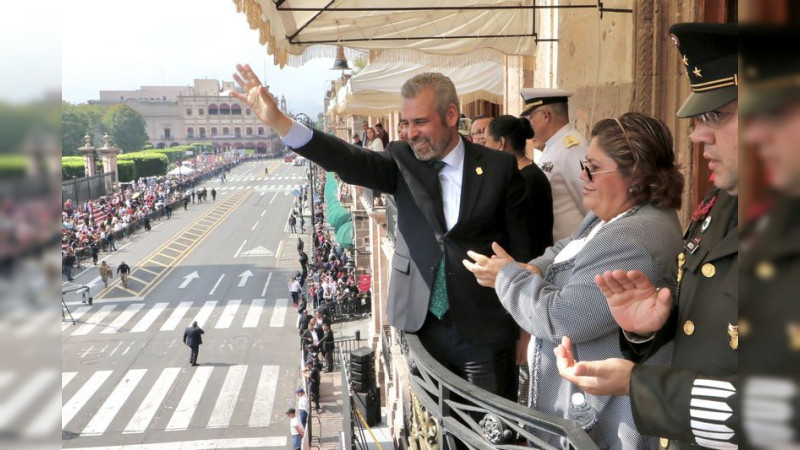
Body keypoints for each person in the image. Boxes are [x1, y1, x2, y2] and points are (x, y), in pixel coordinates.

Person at [233, 65, 532, 401]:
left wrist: (525, 327)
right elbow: (347, 159)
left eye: (419, 122)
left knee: (489, 432)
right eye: (404, 123)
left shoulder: (499, 167)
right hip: (422, 329)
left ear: (451, 115)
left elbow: (524, 250)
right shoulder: (403, 158)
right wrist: (282, 124)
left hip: (485, 333)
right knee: (435, 432)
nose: (408, 133)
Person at [553, 23, 739, 450]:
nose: (697, 134)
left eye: (716, 115)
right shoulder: (724, 200)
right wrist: (645, 331)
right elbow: (710, 327)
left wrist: (641, 387)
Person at [464, 111, 685, 449]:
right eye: (584, 164)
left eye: (593, 168)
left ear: (635, 174)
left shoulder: (635, 237)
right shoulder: (614, 214)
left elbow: (562, 317)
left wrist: (506, 278)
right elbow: (566, 249)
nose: (583, 175)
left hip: (603, 422)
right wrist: (531, 269)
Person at [521, 88, 588, 242]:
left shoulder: (573, 148)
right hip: (556, 248)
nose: (529, 123)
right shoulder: (552, 146)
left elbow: (589, 204)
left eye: (531, 117)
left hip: (572, 248)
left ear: (546, 116)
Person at [484, 115, 554, 257]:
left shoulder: (527, 179)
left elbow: (525, 236)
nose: (484, 147)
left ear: (501, 143)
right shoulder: (522, 174)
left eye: (486, 141)